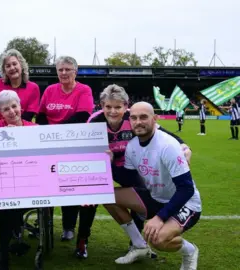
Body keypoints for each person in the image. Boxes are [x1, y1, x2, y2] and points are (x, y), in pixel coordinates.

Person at [87, 84, 192, 259]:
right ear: (101, 106)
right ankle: (136, 243)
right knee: (103, 196)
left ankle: (136, 244)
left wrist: (182, 144)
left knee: (140, 199)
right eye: (108, 107)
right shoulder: (94, 121)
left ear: (126, 106)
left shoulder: (135, 117)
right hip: (113, 165)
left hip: (133, 164)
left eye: (118, 107)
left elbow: (162, 132)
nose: (113, 111)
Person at [104, 101, 201, 269]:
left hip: (185, 203)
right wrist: (109, 163)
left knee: (159, 239)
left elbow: (186, 189)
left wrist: (159, 217)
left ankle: (189, 250)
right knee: (106, 195)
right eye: (134, 118)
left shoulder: (168, 145)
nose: (138, 122)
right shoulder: (132, 146)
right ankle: (139, 246)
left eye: (143, 117)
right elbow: (127, 178)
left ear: (155, 119)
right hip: (155, 198)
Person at [36, 56, 94, 256]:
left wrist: (56, 132)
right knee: (47, 185)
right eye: (60, 69)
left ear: (75, 72)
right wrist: (49, 135)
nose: (63, 73)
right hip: (50, 146)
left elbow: (82, 116)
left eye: (68, 69)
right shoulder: (50, 90)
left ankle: (69, 227)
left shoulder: (84, 90)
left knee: (69, 186)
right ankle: (45, 225)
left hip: (73, 146)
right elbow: (41, 115)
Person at [0, 90, 36, 270]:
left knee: (8, 206)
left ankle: (5, 249)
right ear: (1, 112)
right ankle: (3, 252)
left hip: (30, 184)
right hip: (4, 184)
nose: (11, 111)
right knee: (6, 203)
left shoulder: (34, 128)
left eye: (14, 106)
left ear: (21, 107)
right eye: (6, 109)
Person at [0, 49, 40, 122]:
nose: (12, 68)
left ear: (21, 65)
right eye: (8, 66)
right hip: (0, 129)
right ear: (4, 70)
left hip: (22, 129)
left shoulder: (33, 88)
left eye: (14, 64)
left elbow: (30, 114)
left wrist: (14, 126)